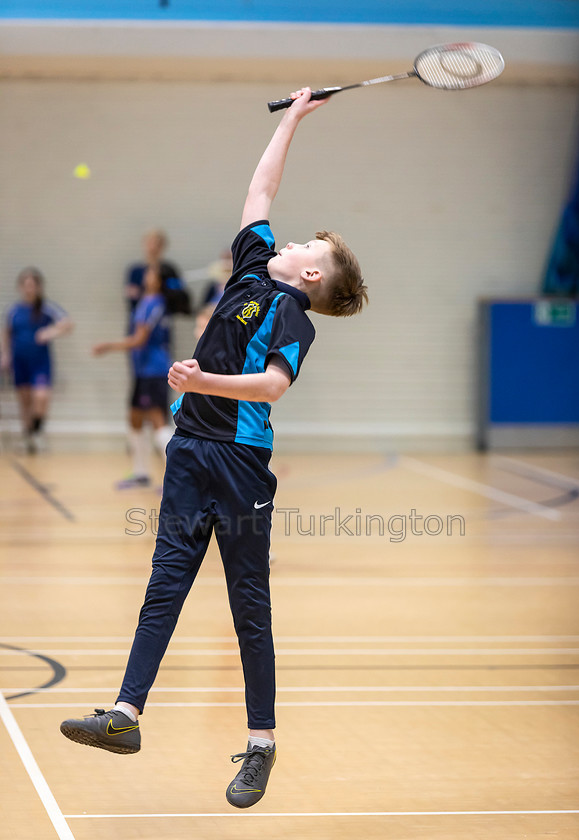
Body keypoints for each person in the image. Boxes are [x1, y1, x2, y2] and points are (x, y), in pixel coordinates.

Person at [60, 88, 368, 808]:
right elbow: (260, 189)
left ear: (313, 275)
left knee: (246, 603)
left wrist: (204, 379)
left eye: (305, 248)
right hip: (190, 450)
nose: (287, 241)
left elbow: (270, 387)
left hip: (237, 463)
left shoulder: (293, 313)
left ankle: (260, 745)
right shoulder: (252, 269)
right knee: (163, 583)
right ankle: (126, 715)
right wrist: (292, 118)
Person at [93, 266, 174, 488]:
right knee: (135, 419)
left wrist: (108, 345)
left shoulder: (153, 303)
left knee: (158, 423)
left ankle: (176, 481)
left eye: (151, 272)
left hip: (154, 371)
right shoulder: (147, 301)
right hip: (142, 372)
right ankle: (141, 474)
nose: (146, 274)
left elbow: (139, 339)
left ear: (158, 280)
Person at [1, 267, 73, 453]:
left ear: (38, 287)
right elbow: (7, 333)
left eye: (32, 285)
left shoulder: (46, 308)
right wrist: (6, 355)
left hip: (40, 362)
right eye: (26, 285)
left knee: (41, 397)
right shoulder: (14, 310)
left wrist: (50, 332)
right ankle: (28, 438)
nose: (29, 289)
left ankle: (37, 429)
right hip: (19, 361)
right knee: (24, 401)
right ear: (20, 287)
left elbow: (68, 323)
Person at [125, 229, 191, 322]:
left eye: (157, 244)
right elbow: (132, 298)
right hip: (140, 320)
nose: (153, 248)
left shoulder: (169, 270)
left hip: (162, 318)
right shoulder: (135, 271)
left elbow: (179, 294)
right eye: (150, 243)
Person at [192, 248, 233, 341]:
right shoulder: (213, 286)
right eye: (225, 259)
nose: (227, 263)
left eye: (230, 259)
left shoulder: (239, 287)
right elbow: (202, 306)